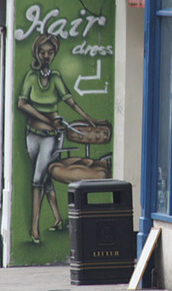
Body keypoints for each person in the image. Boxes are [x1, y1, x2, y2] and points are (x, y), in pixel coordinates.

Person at [16, 33, 106, 244]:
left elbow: (70, 101)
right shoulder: (31, 77)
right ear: (36, 52)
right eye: (42, 52)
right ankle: (57, 218)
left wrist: (88, 118)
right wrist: (45, 118)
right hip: (32, 134)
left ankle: (34, 228)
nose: (46, 56)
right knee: (45, 177)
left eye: (50, 52)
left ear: (54, 54)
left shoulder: (55, 78)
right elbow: (22, 104)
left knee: (38, 179)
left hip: (51, 137)